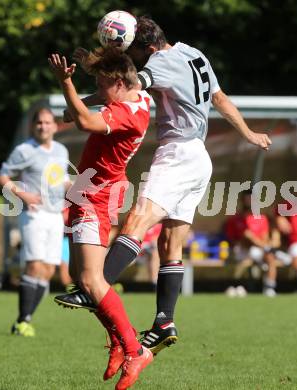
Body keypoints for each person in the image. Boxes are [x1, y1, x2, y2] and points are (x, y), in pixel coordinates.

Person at [55, 16, 272, 355]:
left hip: (177, 152)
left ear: (150, 47)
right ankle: (164, 321)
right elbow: (221, 100)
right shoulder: (194, 53)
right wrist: (248, 133)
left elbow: (126, 90)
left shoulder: (159, 62)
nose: (137, 60)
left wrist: (84, 85)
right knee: (171, 243)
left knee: (136, 222)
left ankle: (95, 287)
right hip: (200, 157)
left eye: (136, 53)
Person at [48, 47, 153, 389]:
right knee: (81, 277)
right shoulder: (137, 98)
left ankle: (135, 349)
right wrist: (83, 94)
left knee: (92, 281)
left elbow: (84, 120)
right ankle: (120, 343)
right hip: (87, 191)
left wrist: (67, 84)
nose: (99, 90)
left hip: (98, 195)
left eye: (102, 83)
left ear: (120, 83)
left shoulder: (127, 114)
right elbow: (92, 103)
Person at [0, 107, 70, 336]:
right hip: (34, 214)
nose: (43, 126)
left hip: (55, 215)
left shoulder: (61, 150)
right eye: (39, 122)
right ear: (33, 126)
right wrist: (23, 195)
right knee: (34, 265)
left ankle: (24, 320)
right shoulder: (24, 150)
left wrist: (80, 191)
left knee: (48, 270)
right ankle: (23, 320)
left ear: (55, 126)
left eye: (47, 122)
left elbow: (63, 180)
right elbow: (2, 176)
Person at [225, 190, 278, 297]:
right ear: (242, 201)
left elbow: (265, 237)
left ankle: (269, 288)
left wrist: (261, 244)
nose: (249, 202)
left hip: (257, 250)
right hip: (240, 249)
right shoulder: (235, 219)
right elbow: (233, 239)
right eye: (247, 200)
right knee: (247, 253)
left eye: (252, 200)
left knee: (269, 258)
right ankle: (236, 285)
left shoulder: (262, 218)